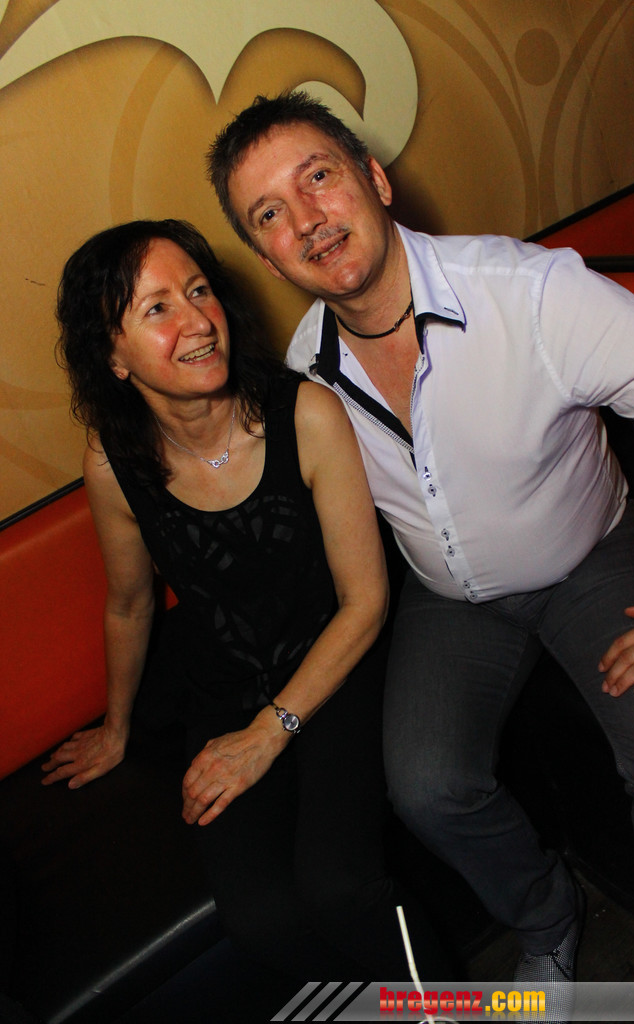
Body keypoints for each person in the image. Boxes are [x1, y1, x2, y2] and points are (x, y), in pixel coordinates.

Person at [207, 91, 634, 985]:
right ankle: (547, 917)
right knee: (427, 789)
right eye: (269, 214)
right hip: (448, 596)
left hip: (591, 555)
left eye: (319, 177)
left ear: (375, 179)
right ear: (266, 258)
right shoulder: (304, 375)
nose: (305, 220)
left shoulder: (532, 296)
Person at [42, 218, 449, 984]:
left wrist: (269, 732)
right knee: (260, 919)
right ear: (113, 357)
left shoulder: (305, 414)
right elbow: (129, 603)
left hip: (340, 667)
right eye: (157, 308)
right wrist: (117, 727)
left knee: (339, 889)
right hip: (223, 691)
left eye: (198, 292)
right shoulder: (114, 459)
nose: (198, 321)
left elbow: (364, 602)